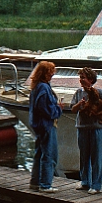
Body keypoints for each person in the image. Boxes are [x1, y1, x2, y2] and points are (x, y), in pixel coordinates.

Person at [70, 67, 102, 194]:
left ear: (90, 79)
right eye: (80, 78)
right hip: (82, 128)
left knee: (97, 157)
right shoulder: (78, 93)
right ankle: (85, 182)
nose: (81, 80)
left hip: (97, 129)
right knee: (84, 156)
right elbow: (73, 109)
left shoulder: (99, 92)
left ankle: (96, 185)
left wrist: (99, 113)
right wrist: (80, 104)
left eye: (83, 78)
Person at [28, 61, 62, 193]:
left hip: (38, 125)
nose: (52, 76)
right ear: (44, 74)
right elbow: (45, 109)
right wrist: (58, 110)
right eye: (50, 73)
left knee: (39, 154)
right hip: (46, 125)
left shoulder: (36, 86)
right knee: (50, 155)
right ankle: (45, 184)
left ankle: (35, 182)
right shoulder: (43, 87)